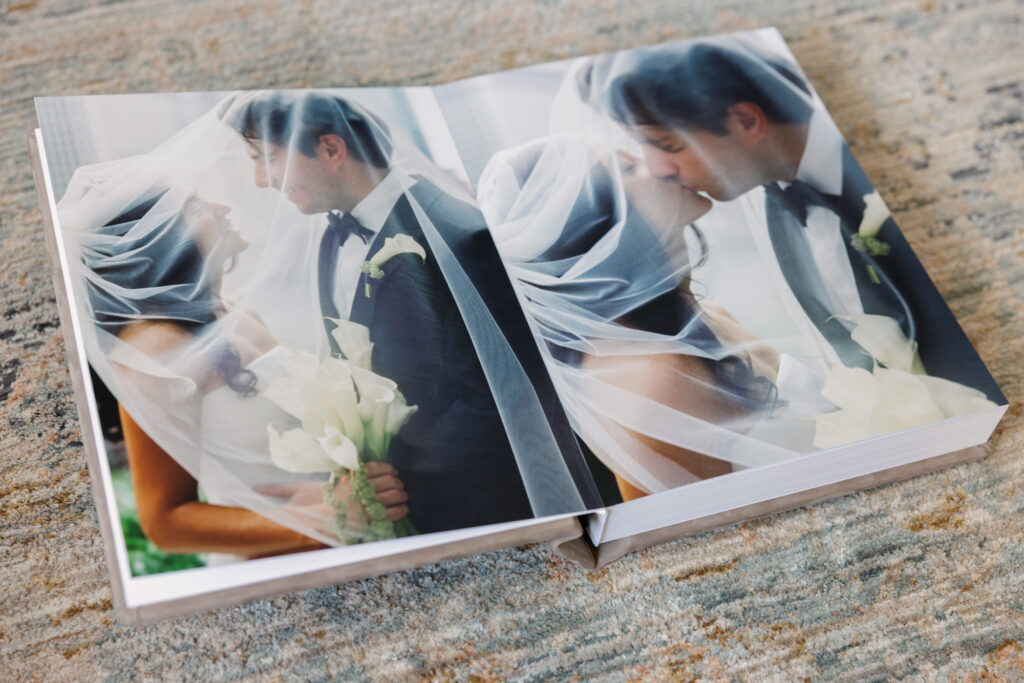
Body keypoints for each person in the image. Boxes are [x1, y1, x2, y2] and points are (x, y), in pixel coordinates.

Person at [225, 92, 600, 531]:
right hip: (421, 518)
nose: (259, 179)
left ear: (331, 149)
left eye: (266, 158)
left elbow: (509, 402)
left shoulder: (460, 237)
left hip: (497, 516)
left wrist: (395, 476)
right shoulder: (330, 240)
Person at [83, 190, 409, 559]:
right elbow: (165, 522)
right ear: (159, 242)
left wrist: (341, 489)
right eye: (196, 208)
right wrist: (330, 519)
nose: (221, 205)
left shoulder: (237, 311)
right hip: (278, 568)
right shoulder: (153, 347)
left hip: (350, 543)